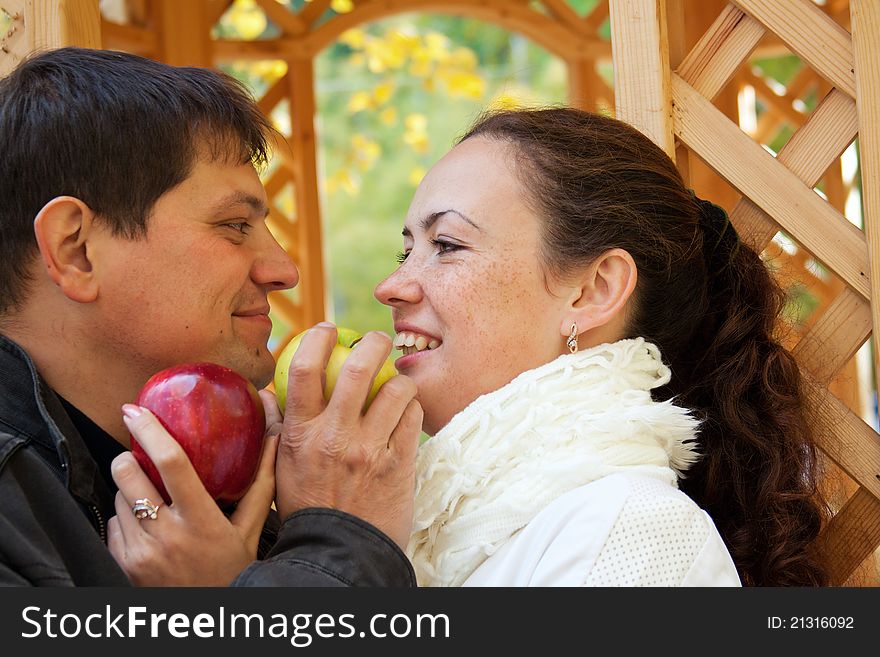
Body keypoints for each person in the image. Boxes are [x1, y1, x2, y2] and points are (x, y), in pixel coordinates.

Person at [0, 47, 422, 586]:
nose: (283, 270)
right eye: (233, 225)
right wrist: (333, 539)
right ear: (76, 249)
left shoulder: (222, 468)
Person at [374, 107, 830, 587]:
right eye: (406, 252)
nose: (390, 286)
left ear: (594, 292)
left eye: (446, 244)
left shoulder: (632, 533)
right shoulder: (438, 524)